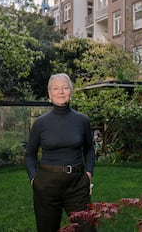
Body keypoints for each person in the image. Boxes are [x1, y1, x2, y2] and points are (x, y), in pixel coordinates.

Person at [24, 73, 96, 232]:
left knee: (87, 229)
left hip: (77, 185)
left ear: (71, 91)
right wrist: (33, 180)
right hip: (46, 186)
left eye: (65, 87)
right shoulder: (40, 123)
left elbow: (90, 150)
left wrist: (88, 174)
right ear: (49, 94)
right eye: (55, 88)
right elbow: (29, 155)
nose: (60, 91)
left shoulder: (82, 120)